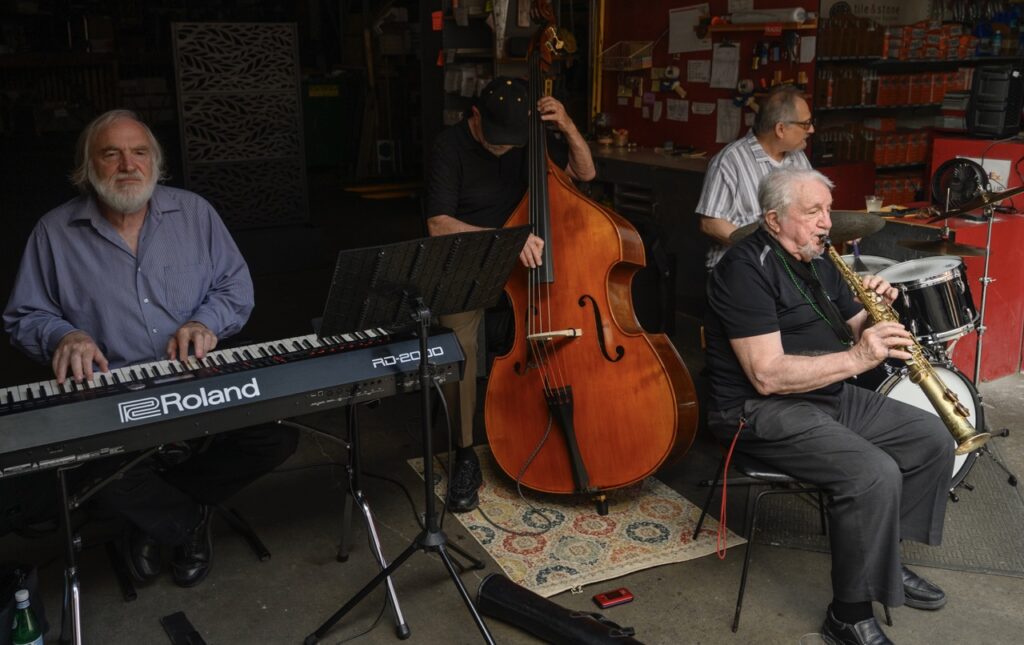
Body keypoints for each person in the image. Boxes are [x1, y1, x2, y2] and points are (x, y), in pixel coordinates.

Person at [3, 109, 297, 588]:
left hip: (197, 377)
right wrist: (63, 335)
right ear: (87, 167)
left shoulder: (195, 213)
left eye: (139, 152)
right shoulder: (53, 232)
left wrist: (205, 322)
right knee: (85, 470)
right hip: (110, 391)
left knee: (276, 436)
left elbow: (234, 287)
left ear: (155, 163)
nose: (128, 164)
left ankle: (153, 516)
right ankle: (184, 522)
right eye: (111, 154)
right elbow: (24, 315)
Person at [704, 168, 953, 644]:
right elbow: (767, 375)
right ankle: (848, 615)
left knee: (931, 439)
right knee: (872, 472)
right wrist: (859, 357)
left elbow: (859, 326)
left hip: (826, 393)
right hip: (758, 409)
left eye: (828, 210)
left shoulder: (819, 258)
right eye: (813, 211)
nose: (826, 222)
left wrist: (879, 313)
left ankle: (884, 561)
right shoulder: (744, 269)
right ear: (774, 219)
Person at [425, 77, 596, 511]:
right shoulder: (448, 147)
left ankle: (558, 417)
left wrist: (568, 127)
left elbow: (584, 175)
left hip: (528, 262)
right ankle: (464, 451)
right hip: (472, 259)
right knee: (456, 341)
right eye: (495, 139)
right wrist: (505, 240)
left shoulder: (529, 138)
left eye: (510, 141)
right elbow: (439, 224)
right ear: (475, 115)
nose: (503, 148)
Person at [696, 84, 814, 268]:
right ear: (780, 129)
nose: (811, 129)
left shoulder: (798, 157)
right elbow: (710, 223)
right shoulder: (729, 161)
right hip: (742, 266)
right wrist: (763, 249)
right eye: (805, 124)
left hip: (789, 265)